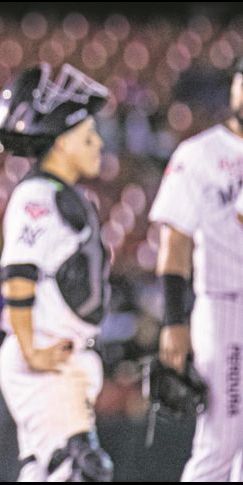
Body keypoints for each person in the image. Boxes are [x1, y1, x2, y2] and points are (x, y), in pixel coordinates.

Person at [0, 63, 114, 482]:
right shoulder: (38, 194)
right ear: (60, 144)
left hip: (58, 355)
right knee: (79, 467)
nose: (99, 145)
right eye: (88, 137)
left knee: (45, 468)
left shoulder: (61, 194)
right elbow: (18, 276)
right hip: (43, 354)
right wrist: (30, 350)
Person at [151, 58, 243, 482]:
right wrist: (173, 322)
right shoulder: (199, 154)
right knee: (220, 442)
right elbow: (175, 244)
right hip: (225, 307)